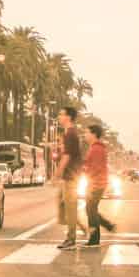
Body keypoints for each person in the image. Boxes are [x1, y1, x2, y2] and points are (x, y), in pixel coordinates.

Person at [54, 106, 85, 250]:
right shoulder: (69, 133)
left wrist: (57, 173)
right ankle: (82, 229)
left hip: (71, 176)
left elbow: (67, 156)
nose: (59, 117)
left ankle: (71, 239)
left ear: (69, 117)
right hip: (71, 175)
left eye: (61, 114)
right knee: (65, 206)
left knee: (70, 208)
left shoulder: (70, 134)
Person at [82, 123, 115, 247]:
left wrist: (85, 171)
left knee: (90, 210)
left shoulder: (96, 149)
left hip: (96, 184)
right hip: (96, 183)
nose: (85, 135)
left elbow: (94, 168)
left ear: (94, 134)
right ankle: (107, 225)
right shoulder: (95, 148)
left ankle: (94, 239)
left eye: (87, 132)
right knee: (91, 209)